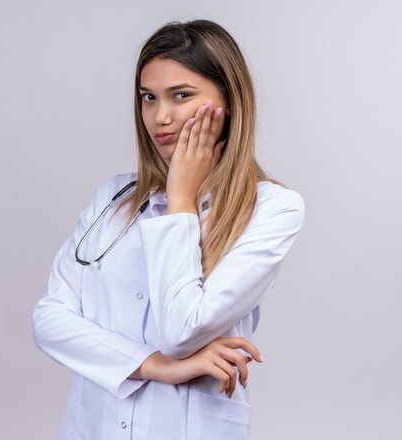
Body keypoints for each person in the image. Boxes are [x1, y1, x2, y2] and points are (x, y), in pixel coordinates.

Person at [32, 18, 305, 440]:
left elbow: (182, 330)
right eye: (148, 97)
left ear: (230, 100)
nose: (160, 117)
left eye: (181, 95)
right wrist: (157, 366)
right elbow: (49, 320)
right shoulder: (112, 199)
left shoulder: (271, 209)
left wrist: (181, 200)